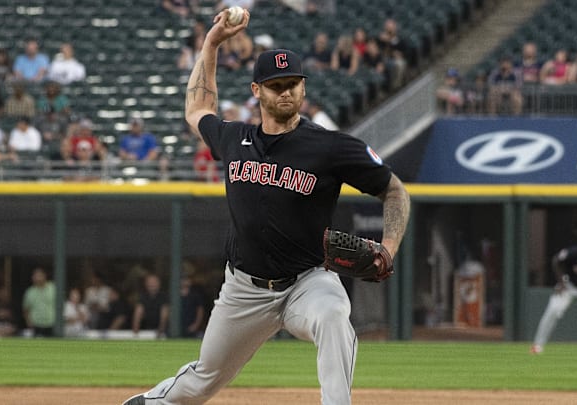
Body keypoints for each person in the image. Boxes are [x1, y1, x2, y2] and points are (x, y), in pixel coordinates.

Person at [123, 9, 410, 405]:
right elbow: (197, 110)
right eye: (276, 85)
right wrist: (211, 44)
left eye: (293, 83)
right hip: (244, 290)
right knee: (204, 379)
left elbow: (395, 191)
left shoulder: (330, 147)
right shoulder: (233, 138)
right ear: (257, 90)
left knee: (332, 317)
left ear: (304, 89)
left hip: (307, 282)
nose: (286, 91)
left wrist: (389, 247)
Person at [131, 273, 170, 338]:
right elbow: (137, 314)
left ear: (159, 283)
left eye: (154, 282)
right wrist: (135, 332)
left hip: (166, 331)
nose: (152, 284)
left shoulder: (164, 297)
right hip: (147, 329)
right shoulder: (143, 297)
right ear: (146, 284)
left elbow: (164, 316)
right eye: (150, 282)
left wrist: (161, 330)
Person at [22, 267, 56, 337]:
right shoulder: (29, 292)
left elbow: (61, 306)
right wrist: (29, 323)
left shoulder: (53, 288)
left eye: (39, 276)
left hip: (52, 324)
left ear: (44, 276)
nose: (37, 278)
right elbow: (26, 309)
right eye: (35, 276)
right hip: (36, 325)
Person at [376, 18, 407, 90]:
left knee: (400, 64)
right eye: (387, 28)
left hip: (395, 60)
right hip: (384, 59)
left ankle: (396, 85)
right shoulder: (381, 39)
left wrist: (399, 54)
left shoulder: (399, 39)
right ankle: (381, 88)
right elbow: (378, 50)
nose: (389, 30)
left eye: (391, 28)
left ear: (395, 28)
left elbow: (404, 51)